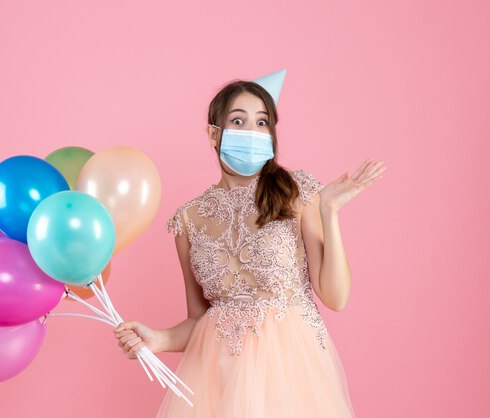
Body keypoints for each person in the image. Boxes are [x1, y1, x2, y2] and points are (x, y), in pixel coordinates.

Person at [112, 78, 386, 417]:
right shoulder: (189, 220)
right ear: (214, 134)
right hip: (218, 378)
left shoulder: (295, 193)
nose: (252, 132)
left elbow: (335, 296)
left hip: (291, 376)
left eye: (262, 122)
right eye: (238, 121)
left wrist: (329, 211)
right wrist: (158, 339)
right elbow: (199, 319)